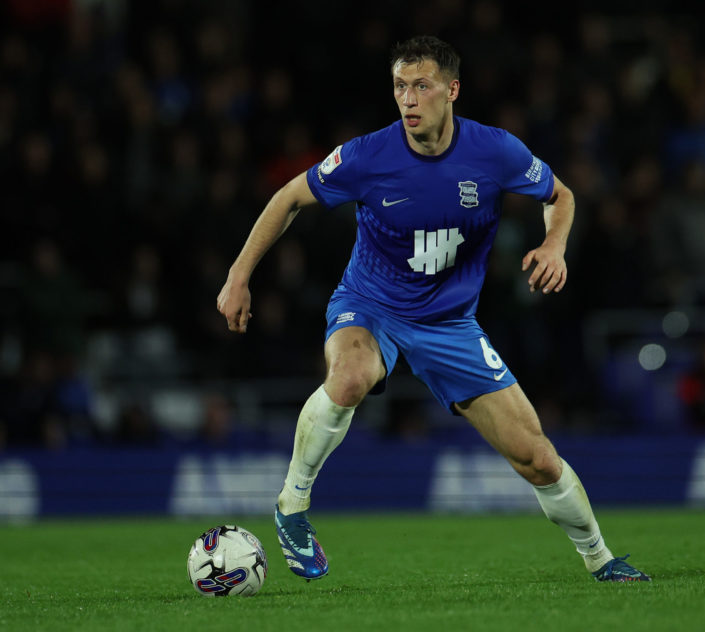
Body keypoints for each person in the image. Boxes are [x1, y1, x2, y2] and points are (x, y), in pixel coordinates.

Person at [217, 36, 649, 583]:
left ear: (452, 90)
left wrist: (554, 245)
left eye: (421, 85)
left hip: (450, 325)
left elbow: (560, 196)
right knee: (350, 378)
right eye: (400, 86)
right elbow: (288, 199)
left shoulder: (494, 152)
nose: (409, 99)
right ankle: (292, 507)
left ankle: (601, 560)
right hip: (370, 306)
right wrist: (238, 275)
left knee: (537, 457)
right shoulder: (367, 156)